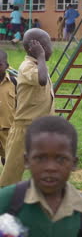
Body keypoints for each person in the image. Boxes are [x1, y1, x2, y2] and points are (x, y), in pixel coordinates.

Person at [0, 116, 82, 236]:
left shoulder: (80, 208)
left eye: (61, 159)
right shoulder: (8, 200)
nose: (50, 167)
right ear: (27, 161)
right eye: (40, 158)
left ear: (74, 163)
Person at [0, 28, 55, 187]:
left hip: (42, 130)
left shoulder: (40, 65)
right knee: (11, 174)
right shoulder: (27, 67)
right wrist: (41, 56)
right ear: (37, 47)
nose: (50, 48)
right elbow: (42, 80)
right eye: (47, 44)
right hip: (24, 130)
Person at [0, 50, 16, 166]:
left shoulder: (14, 81)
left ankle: (6, 182)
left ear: (6, 65)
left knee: (7, 158)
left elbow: (20, 103)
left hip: (8, 128)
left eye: (0, 64)